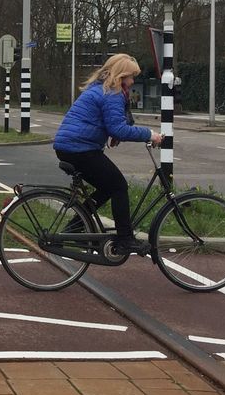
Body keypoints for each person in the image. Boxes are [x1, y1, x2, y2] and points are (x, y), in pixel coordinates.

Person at [52, 53, 163, 256]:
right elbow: (118, 129)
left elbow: (110, 123)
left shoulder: (99, 89)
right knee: (119, 186)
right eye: (130, 76)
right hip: (79, 149)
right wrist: (150, 134)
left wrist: (114, 131)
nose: (132, 81)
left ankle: (75, 227)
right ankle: (125, 239)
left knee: (106, 188)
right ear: (120, 76)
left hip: (69, 147)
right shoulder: (112, 93)